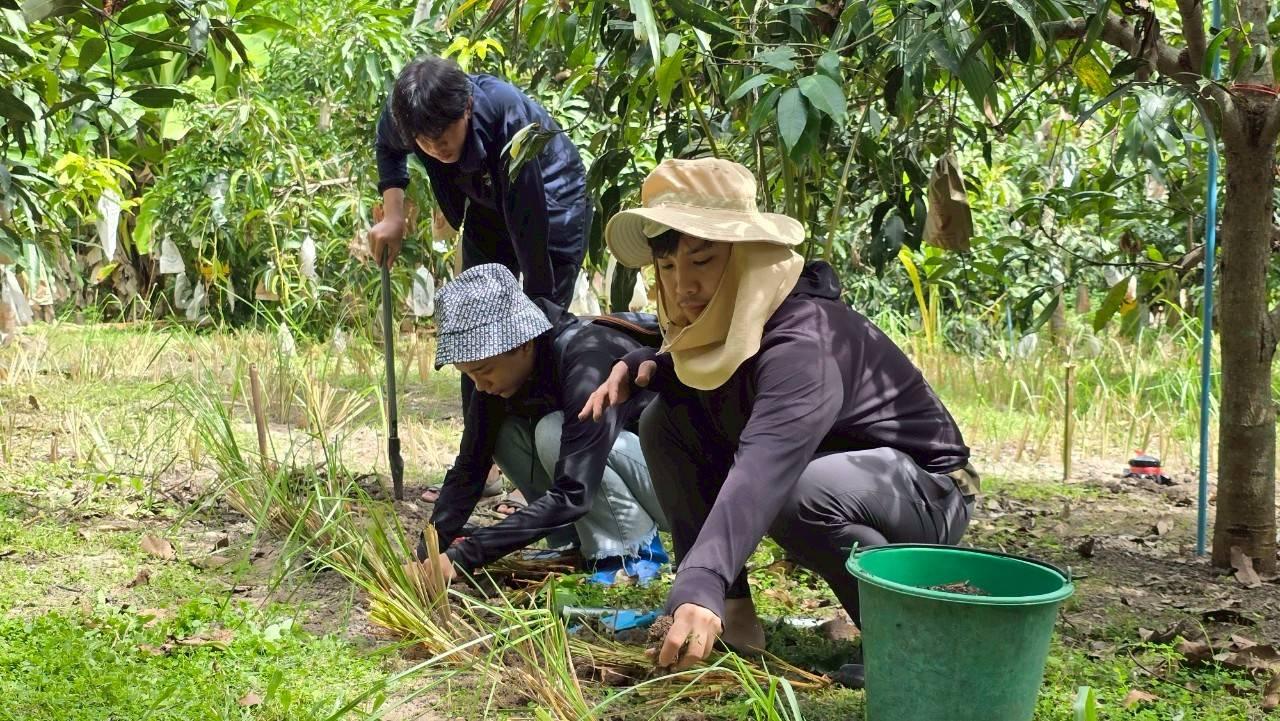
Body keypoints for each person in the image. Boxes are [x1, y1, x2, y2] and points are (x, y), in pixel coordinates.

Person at [580, 158, 979, 683]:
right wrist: (641, 364)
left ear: (747, 259)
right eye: (670, 268)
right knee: (664, 422)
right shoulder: (730, 324)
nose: (684, 287)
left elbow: (764, 465)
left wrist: (696, 581)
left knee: (800, 495)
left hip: (928, 490)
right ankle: (735, 620)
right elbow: (709, 380)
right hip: (834, 472)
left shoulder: (803, 345)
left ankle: (914, 647)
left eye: (702, 261)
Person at [420, 263, 669, 586]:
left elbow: (574, 492)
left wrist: (465, 555)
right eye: (468, 374)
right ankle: (574, 546)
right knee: (504, 435)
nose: (479, 386)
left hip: (676, 491)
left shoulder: (586, 358)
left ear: (522, 342)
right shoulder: (497, 373)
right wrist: (430, 550)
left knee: (552, 431)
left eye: (483, 370)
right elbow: (470, 467)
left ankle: (629, 559)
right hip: (612, 475)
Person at [369, 55, 589, 308]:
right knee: (480, 307)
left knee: (542, 312)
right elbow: (388, 147)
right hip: (487, 196)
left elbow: (529, 219)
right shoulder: (410, 112)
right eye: (424, 142)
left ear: (468, 107)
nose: (435, 148)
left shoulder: (507, 118)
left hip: (552, 194)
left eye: (442, 137)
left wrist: (538, 307)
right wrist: (393, 217)